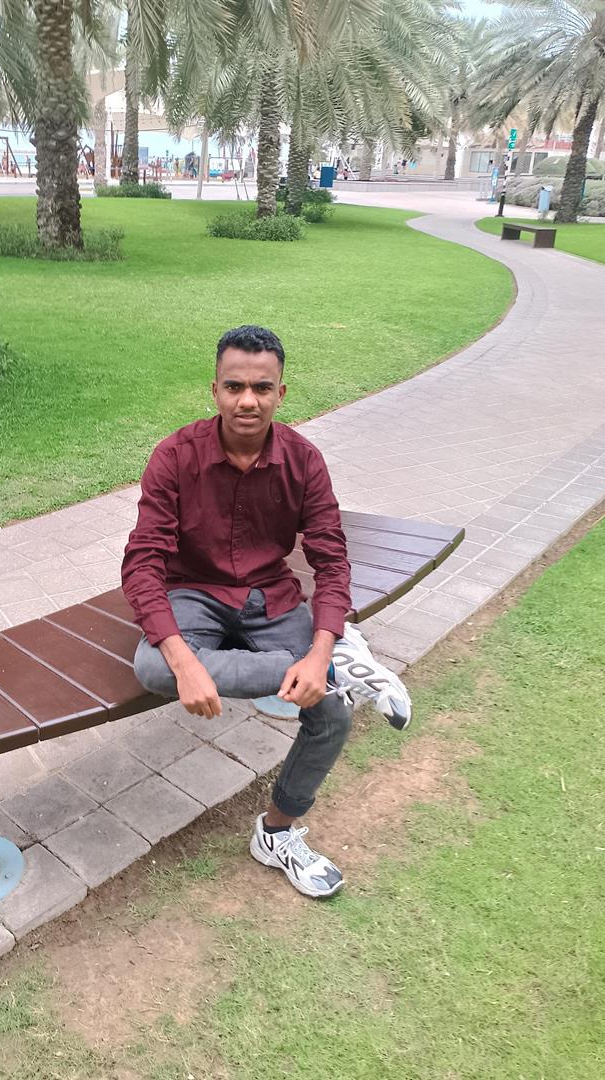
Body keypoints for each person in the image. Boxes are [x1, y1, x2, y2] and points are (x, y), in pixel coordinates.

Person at [122, 325, 410, 900]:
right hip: (193, 590)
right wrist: (184, 661)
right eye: (234, 386)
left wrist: (318, 646)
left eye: (261, 387)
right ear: (214, 390)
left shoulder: (303, 460)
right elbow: (142, 561)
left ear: (282, 392)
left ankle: (275, 834)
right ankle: (342, 664)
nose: (247, 401)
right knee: (154, 667)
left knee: (332, 714)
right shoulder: (175, 456)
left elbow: (331, 560)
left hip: (269, 594)